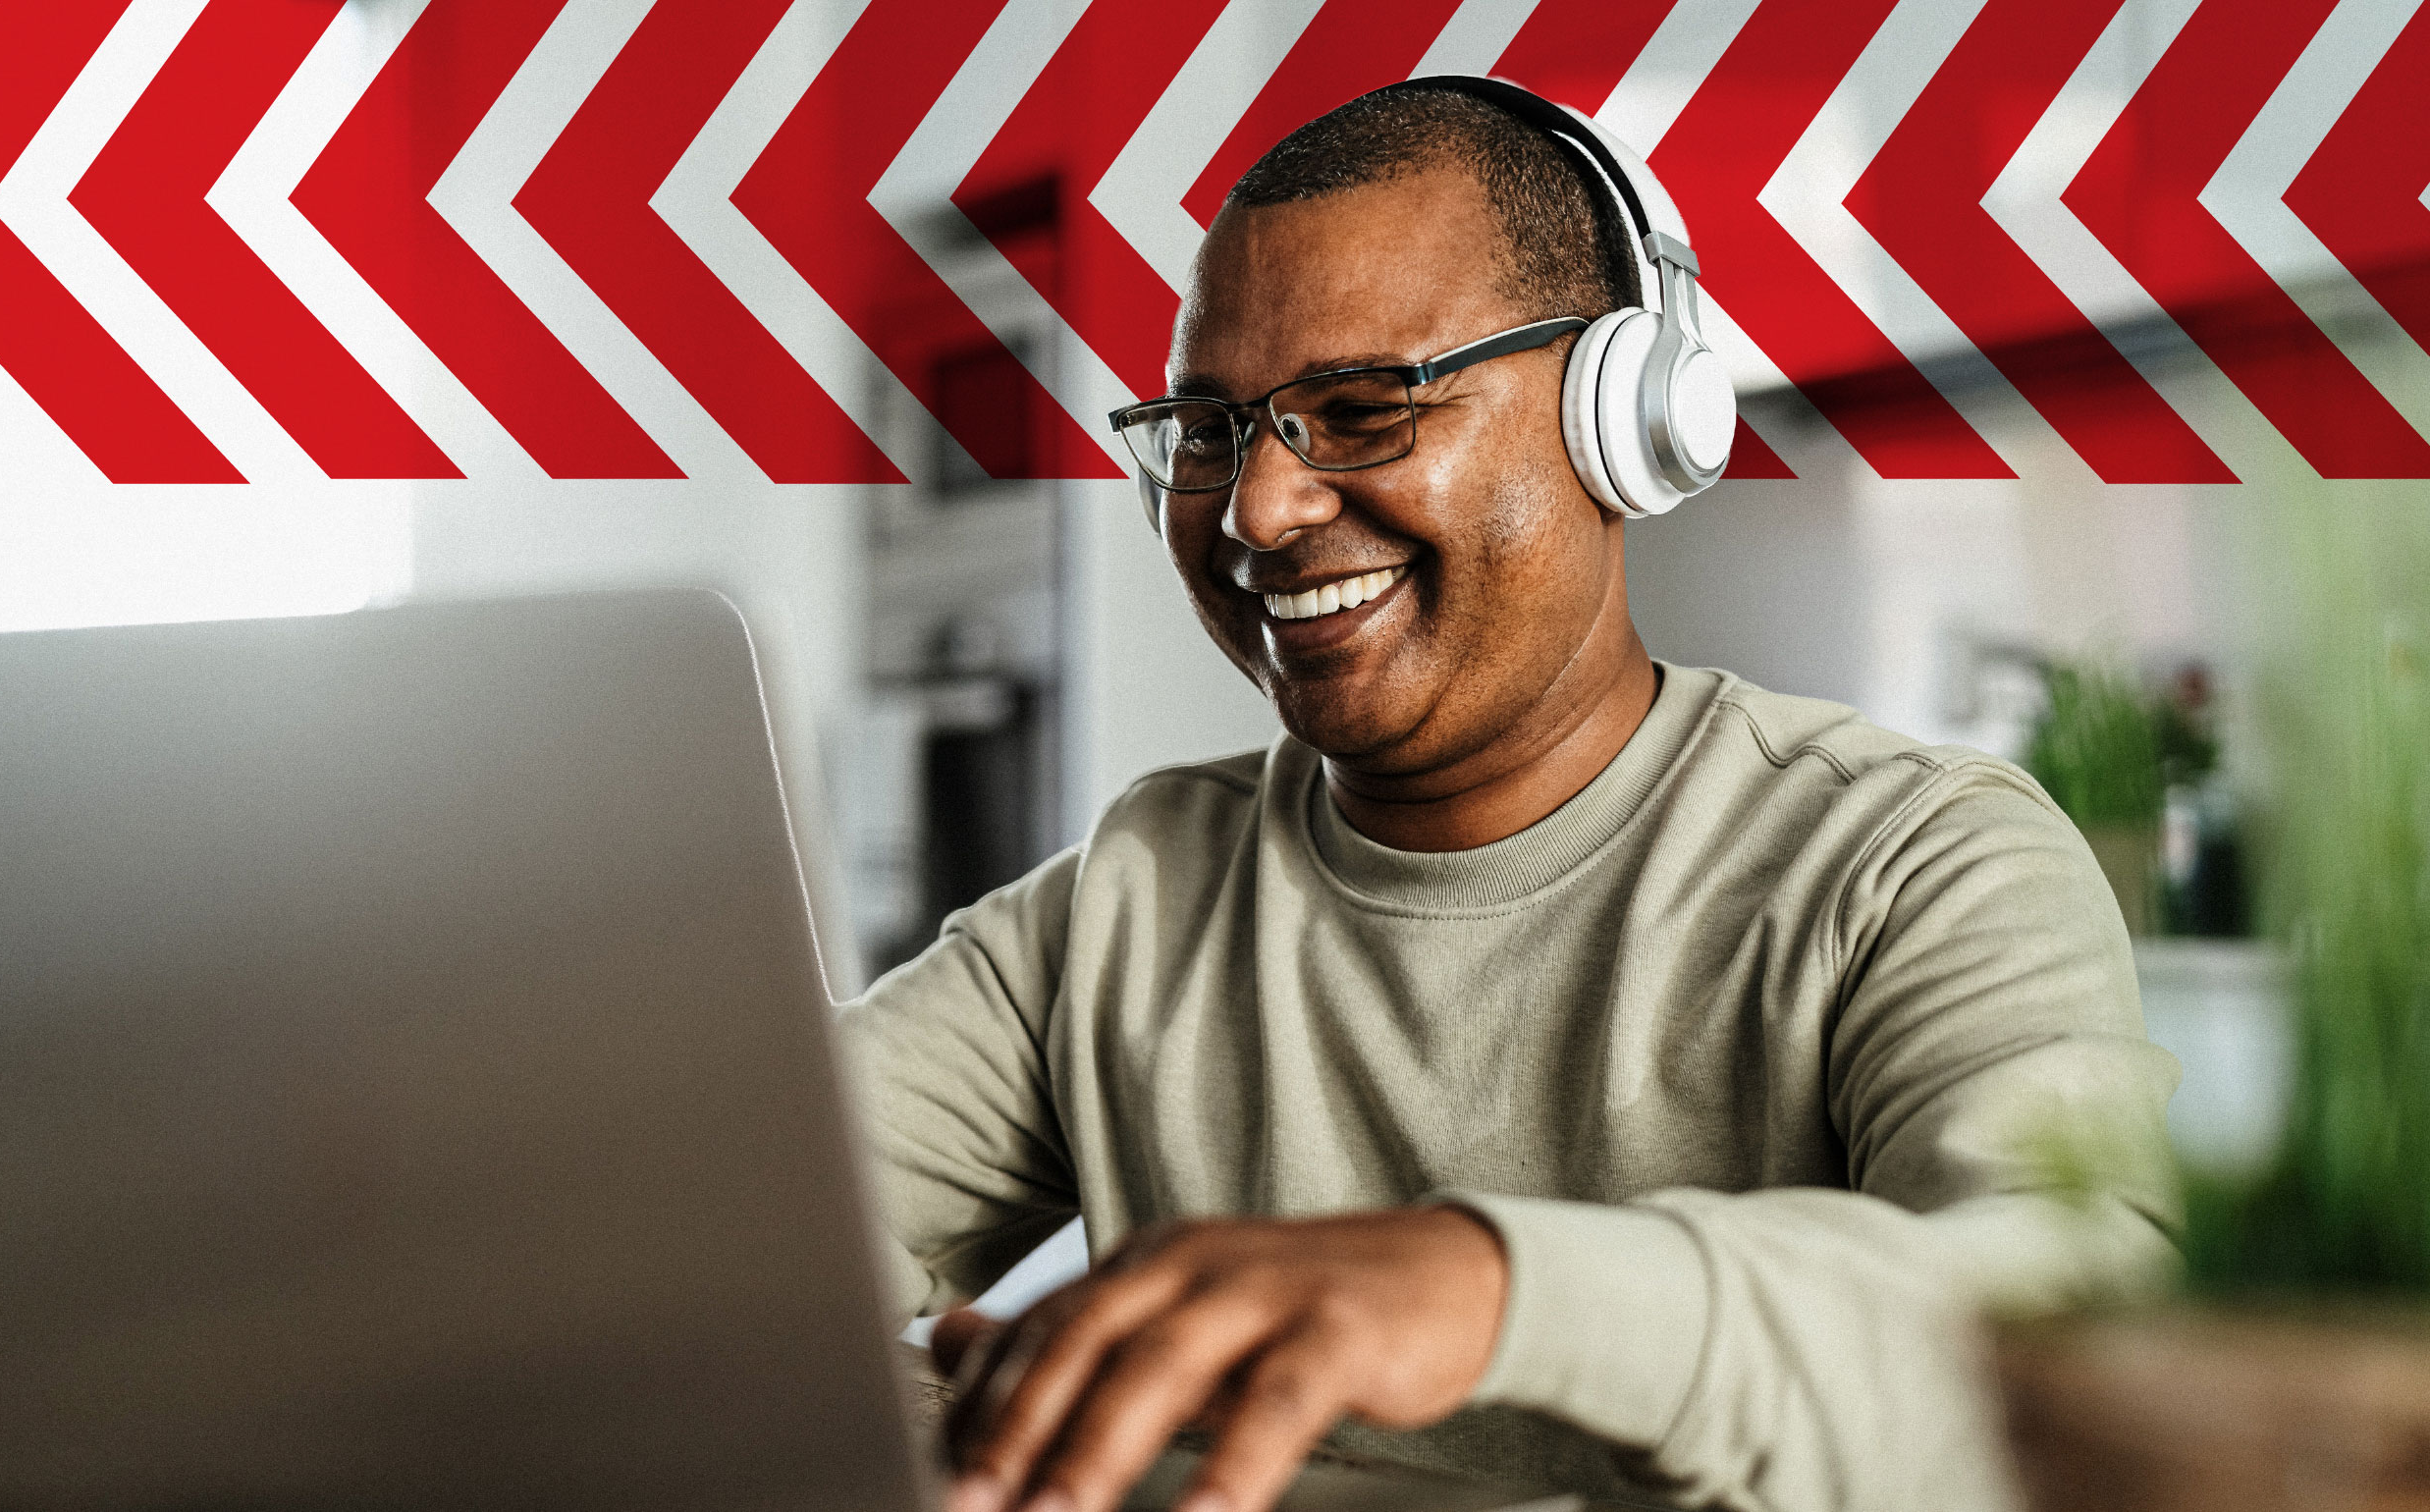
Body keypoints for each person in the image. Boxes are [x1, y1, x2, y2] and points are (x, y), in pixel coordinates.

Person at [837, 79, 2178, 1512]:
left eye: (1361, 410)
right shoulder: (1132, 896)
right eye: (1212, 431)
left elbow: (2076, 1338)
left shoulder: (1918, 863)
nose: (1257, 511)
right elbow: (712, 1234)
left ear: (1632, 417)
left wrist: (1484, 1287)